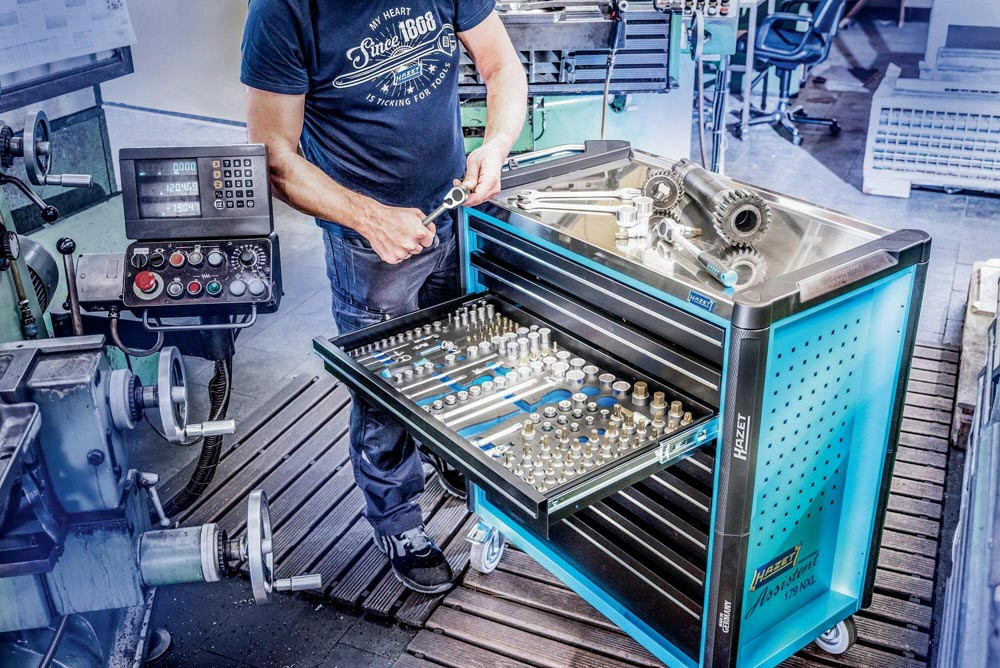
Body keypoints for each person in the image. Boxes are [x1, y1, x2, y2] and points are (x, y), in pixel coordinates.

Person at [241, 1, 527, 593]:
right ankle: (398, 519)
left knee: (464, 350)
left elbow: (501, 65)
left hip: (454, 208)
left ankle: (452, 454)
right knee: (385, 386)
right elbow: (274, 156)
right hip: (367, 242)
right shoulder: (282, 10)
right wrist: (369, 218)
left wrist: (496, 145)